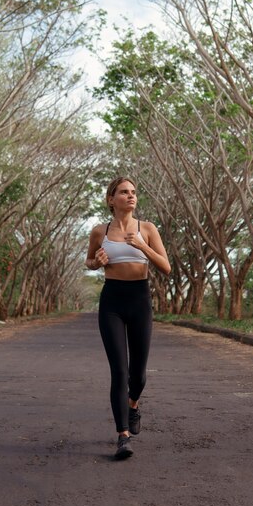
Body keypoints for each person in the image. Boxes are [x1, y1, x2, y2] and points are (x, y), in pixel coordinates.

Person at [85, 176, 171, 460]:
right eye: (124, 192)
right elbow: (89, 261)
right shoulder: (100, 231)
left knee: (139, 374)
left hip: (140, 300)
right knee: (119, 371)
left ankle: (133, 405)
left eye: (133, 192)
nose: (131, 196)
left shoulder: (146, 229)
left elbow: (166, 267)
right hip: (112, 301)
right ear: (111, 199)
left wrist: (142, 247)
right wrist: (97, 263)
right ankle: (123, 436)